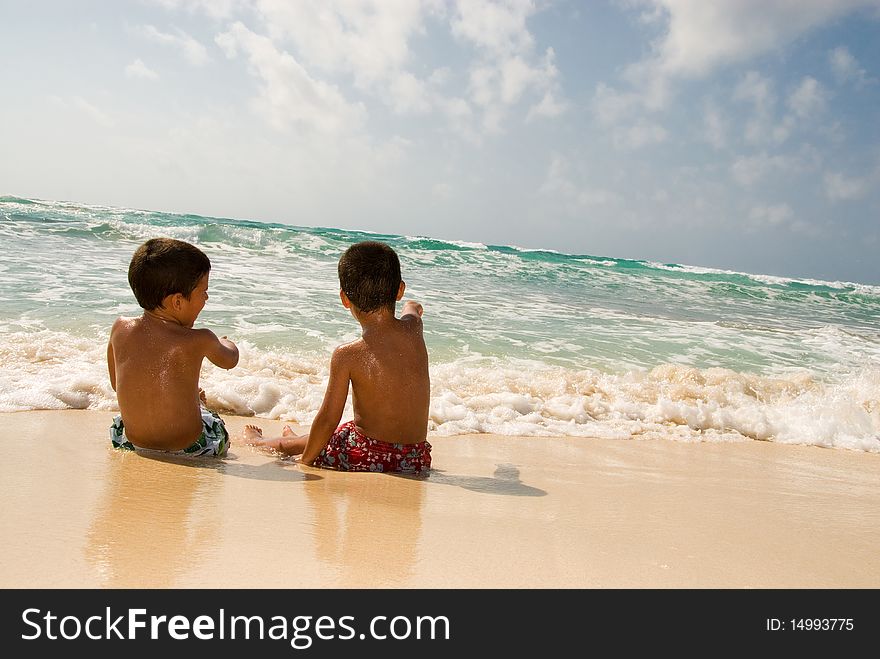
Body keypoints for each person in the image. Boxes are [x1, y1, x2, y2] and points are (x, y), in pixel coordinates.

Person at [244, 240, 432, 473]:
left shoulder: (347, 355)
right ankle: (298, 440)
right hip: (415, 457)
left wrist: (306, 462)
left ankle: (267, 442)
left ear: (344, 298)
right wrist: (412, 306)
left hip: (367, 456)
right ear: (399, 290)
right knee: (342, 432)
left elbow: (327, 420)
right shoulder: (414, 328)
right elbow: (412, 311)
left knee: (335, 435)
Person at [107, 237, 239, 456]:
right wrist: (227, 342)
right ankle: (199, 405)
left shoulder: (120, 328)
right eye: (203, 292)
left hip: (130, 442)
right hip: (190, 449)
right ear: (177, 302)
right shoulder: (201, 339)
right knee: (214, 423)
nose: (206, 298)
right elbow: (229, 360)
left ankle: (191, 402)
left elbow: (116, 384)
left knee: (123, 419)